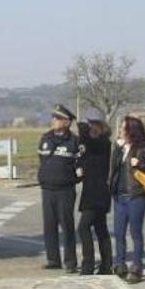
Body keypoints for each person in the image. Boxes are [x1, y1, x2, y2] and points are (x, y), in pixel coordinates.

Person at [108, 116, 145, 284]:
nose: (121, 131)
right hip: (119, 196)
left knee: (135, 232)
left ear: (131, 130)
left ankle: (137, 267)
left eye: (124, 128)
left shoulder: (143, 149)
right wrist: (117, 149)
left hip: (135, 196)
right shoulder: (120, 148)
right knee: (118, 232)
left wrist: (140, 163)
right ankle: (120, 263)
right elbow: (113, 168)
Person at [37, 104, 82, 273]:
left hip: (65, 190)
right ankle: (53, 259)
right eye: (53, 118)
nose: (53, 121)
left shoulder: (74, 141)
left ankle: (70, 261)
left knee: (67, 225)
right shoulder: (46, 138)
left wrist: (72, 177)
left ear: (66, 122)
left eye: (57, 118)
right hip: (48, 189)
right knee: (49, 225)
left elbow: (80, 165)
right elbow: (42, 160)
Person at [76, 109, 113, 275]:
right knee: (100, 228)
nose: (88, 127)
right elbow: (85, 156)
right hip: (90, 189)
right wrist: (80, 166)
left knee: (84, 227)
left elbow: (93, 146)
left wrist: (84, 132)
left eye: (91, 123)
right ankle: (106, 265)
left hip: (98, 192)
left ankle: (88, 264)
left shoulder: (103, 142)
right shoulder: (89, 142)